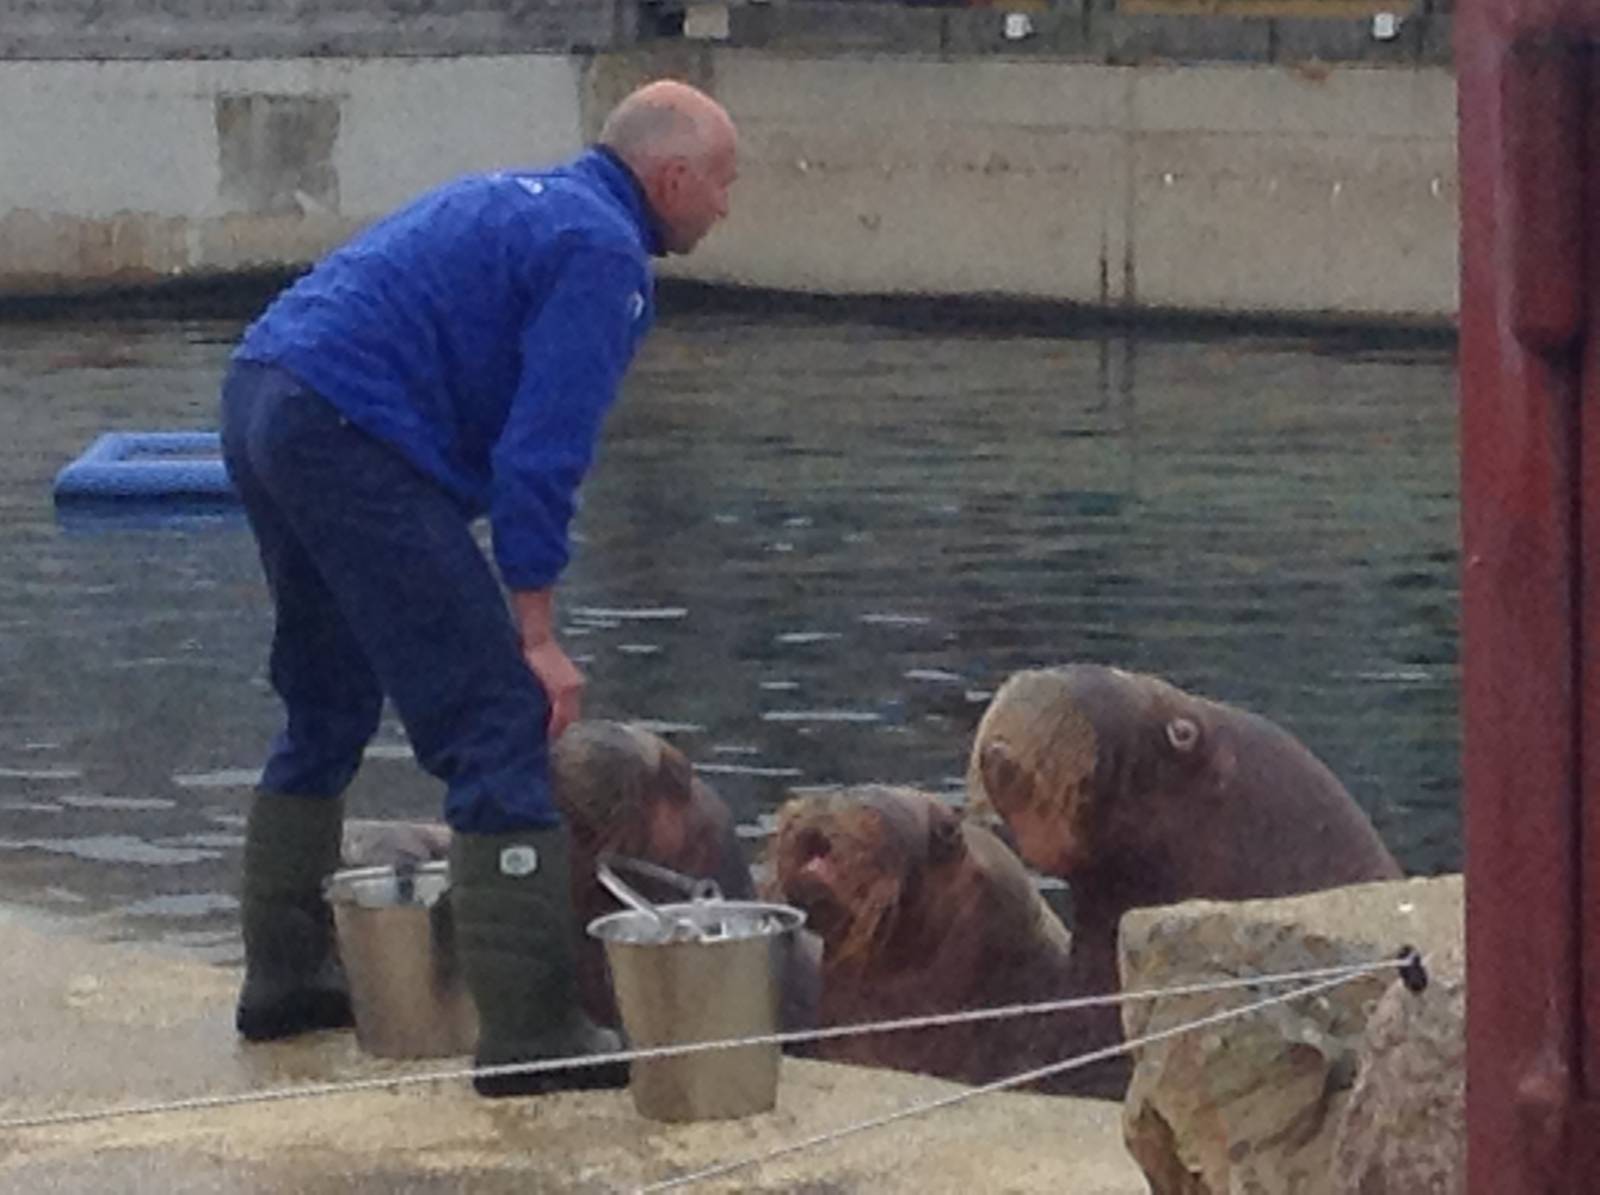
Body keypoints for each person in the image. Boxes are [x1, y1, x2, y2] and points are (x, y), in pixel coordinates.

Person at [218, 79, 738, 1096]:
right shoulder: (603, 255)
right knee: (498, 721)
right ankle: (534, 1033)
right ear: (669, 176)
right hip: (349, 429)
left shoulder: (528, 198)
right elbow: (540, 457)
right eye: (721, 181)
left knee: (326, 700)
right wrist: (536, 634)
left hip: (262, 393)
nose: (726, 205)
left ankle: (285, 979)